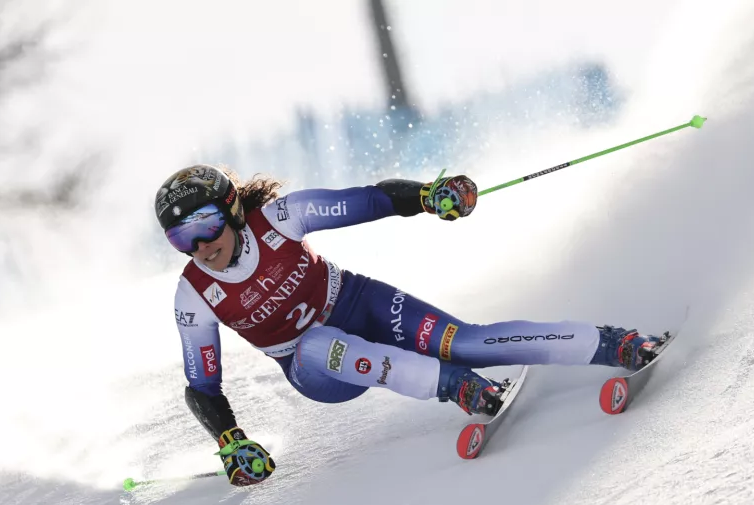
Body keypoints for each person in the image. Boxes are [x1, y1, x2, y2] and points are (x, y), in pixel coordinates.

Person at [158, 164, 665, 487]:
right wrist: (232, 442)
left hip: (361, 302)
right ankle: (457, 389)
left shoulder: (284, 216)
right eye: (182, 238)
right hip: (316, 369)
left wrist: (429, 195)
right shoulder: (195, 294)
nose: (201, 246)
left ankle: (613, 344)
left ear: (230, 209)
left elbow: (371, 200)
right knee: (316, 344)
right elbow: (201, 386)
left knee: (464, 342)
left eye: (204, 224)